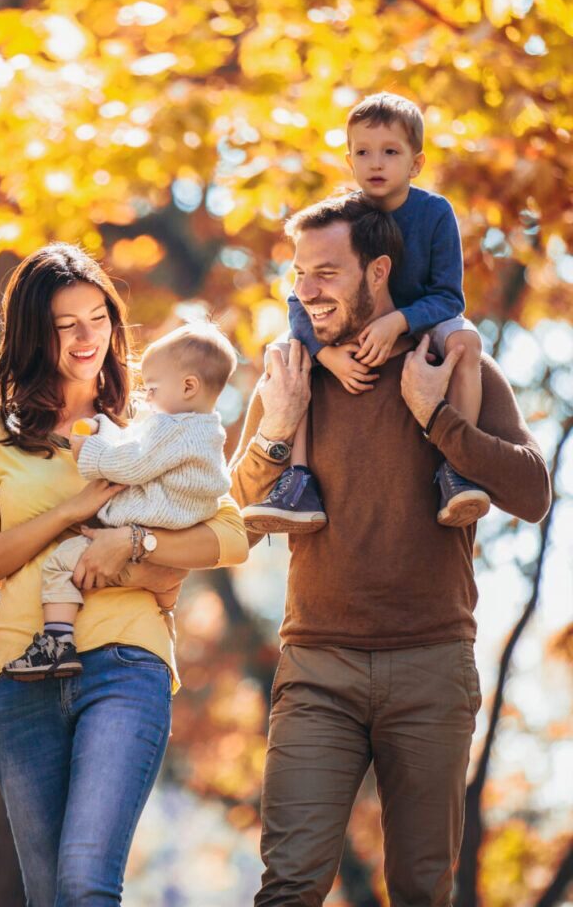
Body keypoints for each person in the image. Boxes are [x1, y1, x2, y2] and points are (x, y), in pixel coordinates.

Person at [229, 192, 551, 906]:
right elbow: (232, 524)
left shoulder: (452, 366)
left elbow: (533, 494)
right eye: (299, 273)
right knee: (288, 887)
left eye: (327, 273)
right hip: (317, 668)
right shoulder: (293, 376)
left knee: (420, 889)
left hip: (431, 666)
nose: (306, 291)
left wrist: (439, 419)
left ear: (378, 271)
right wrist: (278, 429)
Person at [0, 243, 249, 906]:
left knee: (85, 884)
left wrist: (134, 541)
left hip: (123, 664)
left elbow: (231, 536)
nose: (89, 338)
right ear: (34, 335)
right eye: (66, 326)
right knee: (49, 894)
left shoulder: (155, 422)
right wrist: (75, 509)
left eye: (98, 318)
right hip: (20, 680)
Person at [243, 92, 487, 534]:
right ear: (349, 160)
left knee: (466, 341)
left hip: (423, 325)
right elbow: (301, 295)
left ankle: (457, 468)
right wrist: (322, 352)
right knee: (287, 354)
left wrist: (399, 321)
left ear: (415, 163)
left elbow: (450, 297)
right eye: (363, 152)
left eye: (390, 152)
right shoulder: (346, 216)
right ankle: (297, 482)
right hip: (344, 330)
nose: (376, 163)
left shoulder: (434, 214)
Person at [3, 321, 236, 680]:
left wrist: (88, 450)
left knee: (60, 565)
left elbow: (132, 462)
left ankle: (57, 642)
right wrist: (105, 429)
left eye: (154, 388)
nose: (147, 398)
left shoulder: (170, 428)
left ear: (189, 386)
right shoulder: (206, 430)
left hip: (148, 519)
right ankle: (163, 614)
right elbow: (136, 442)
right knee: (161, 586)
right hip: (175, 528)